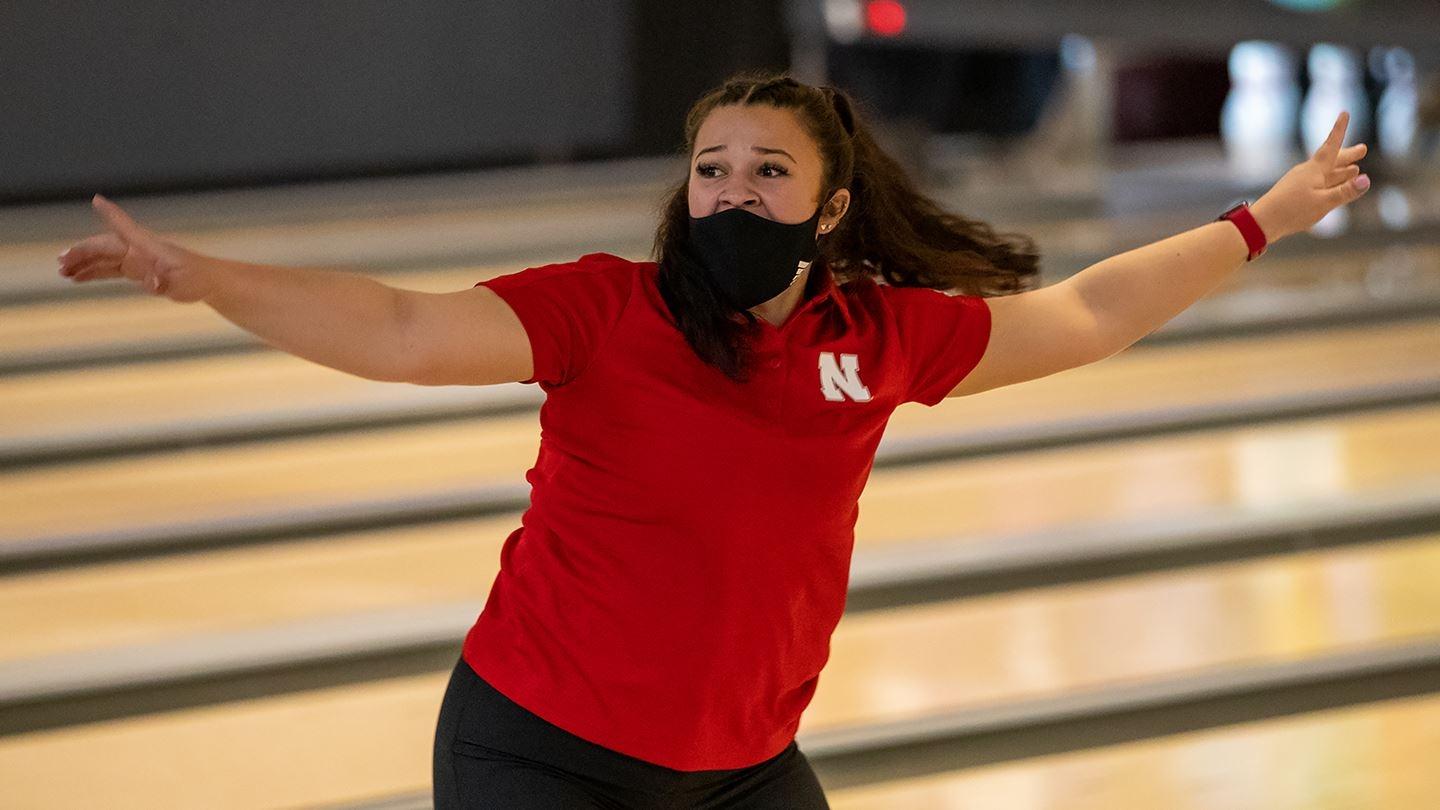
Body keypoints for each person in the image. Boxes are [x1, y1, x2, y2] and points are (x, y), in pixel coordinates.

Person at [56, 72, 1369, 809]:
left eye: (768, 172)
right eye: (712, 170)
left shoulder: (881, 334)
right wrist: (208, 278)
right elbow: (403, 329)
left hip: (741, 775)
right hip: (538, 756)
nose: (732, 191)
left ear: (832, 204)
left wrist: (1266, 216)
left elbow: (1084, 310)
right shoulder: (604, 312)